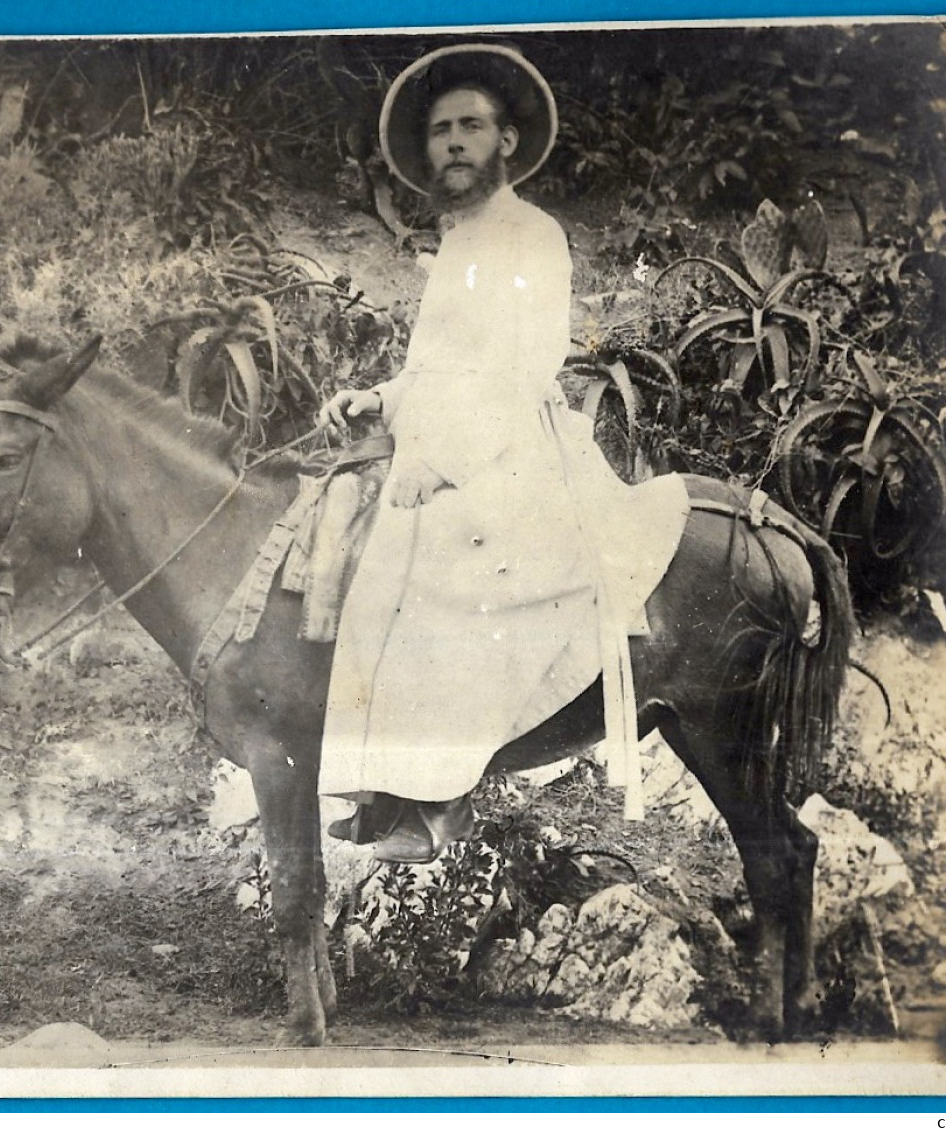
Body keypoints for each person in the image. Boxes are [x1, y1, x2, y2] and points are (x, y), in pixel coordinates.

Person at [315, 45, 689, 864]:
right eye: (441, 130)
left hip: (513, 450)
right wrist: (380, 400)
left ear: (506, 142)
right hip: (442, 441)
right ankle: (385, 787)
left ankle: (438, 797)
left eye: (470, 127)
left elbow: (523, 368)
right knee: (372, 563)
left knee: (449, 565)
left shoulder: (530, 235)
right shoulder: (460, 241)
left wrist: (441, 462)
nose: (452, 142)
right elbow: (434, 366)